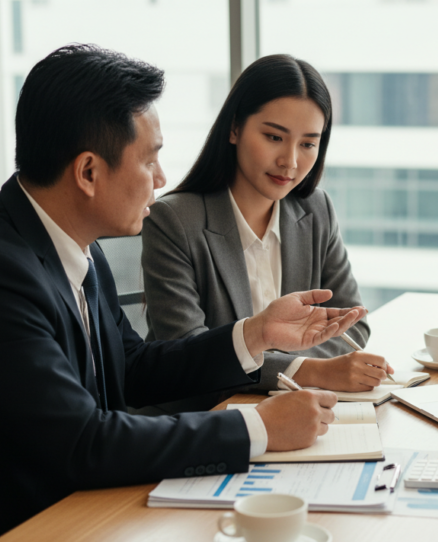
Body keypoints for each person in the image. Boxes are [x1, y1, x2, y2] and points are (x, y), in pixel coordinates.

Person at [0, 45, 365, 542]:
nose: (161, 178)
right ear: (88, 172)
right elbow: (83, 442)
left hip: (67, 518)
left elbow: (130, 368)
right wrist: (260, 427)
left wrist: (256, 334)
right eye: (149, 158)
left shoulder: (76, 246)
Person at [142, 54, 390, 409]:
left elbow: (352, 324)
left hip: (303, 413)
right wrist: (311, 370)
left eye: (308, 143)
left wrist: (286, 366)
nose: (290, 161)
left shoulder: (316, 210)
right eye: (275, 136)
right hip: (208, 421)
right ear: (234, 128)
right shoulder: (174, 221)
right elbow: (189, 353)